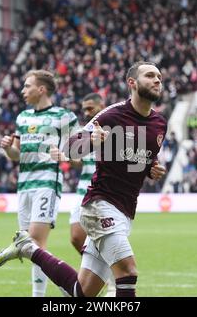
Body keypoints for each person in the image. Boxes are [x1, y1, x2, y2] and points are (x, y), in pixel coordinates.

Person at [0, 61, 167, 297]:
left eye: (158, 76)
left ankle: (29, 248)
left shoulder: (159, 125)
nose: (157, 80)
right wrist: (93, 142)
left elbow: (141, 159)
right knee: (128, 271)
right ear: (132, 83)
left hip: (125, 210)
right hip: (100, 205)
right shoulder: (113, 114)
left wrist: (151, 169)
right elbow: (72, 147)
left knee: (81, 292)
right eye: (149, 75)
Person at [0, 69, 79, 297]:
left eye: (27, 86)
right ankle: (68, 285)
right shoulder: (22, 118)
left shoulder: (64, 116)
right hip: (24, 185)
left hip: (47, 182)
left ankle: (40, 296)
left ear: (41, 89)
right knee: (29, 246)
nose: (23, 91)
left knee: (34, 239)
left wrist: (64, 156)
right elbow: (17, 155)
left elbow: (81, 152)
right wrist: (7, 148)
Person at [50, 93, 116, 296]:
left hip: (103, 192)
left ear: (101, 106)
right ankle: (98, 276)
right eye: (84, 109)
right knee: (77, 238)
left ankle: (110, 282)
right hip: (82, 191)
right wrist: (66, 158)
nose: (86, 113)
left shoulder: (113, 130)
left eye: (90, 108)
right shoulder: (84, 132)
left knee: (102, 240)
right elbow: (80, 162)